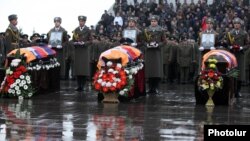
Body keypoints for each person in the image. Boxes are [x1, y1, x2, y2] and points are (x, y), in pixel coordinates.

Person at [142, 15, 166, 95]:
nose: (153, 22)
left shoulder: (161, 30)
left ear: (157, 22)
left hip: (157, 52)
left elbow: (164, 41)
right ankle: (150, 88)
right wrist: (146, 45)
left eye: (155, 21)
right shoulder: (146, 30)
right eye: (152, 21)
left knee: (157, 71)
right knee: (149, 71)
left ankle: (156, 88)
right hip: (149, 52)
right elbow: (143, 40)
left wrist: (158, 44)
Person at [226, 17, 249, 98]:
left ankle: (238, 91)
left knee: (239, 74)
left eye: (238, 23)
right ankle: (232, 90)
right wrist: (230, 47)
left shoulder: (244, 33)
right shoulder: (230, 33)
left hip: (240, 55)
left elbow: (247, 44)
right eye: (235, 23)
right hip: (232, 55)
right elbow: (227, 44)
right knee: (233, 73)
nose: (236, 25)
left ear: (240, 25)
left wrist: (242, 48)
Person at [72, 15, 92, 91]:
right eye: (80, 21)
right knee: (78, 69)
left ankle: (82, 85)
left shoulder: (88, 30)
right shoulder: (76, 30)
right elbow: (73, 40)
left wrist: (84, 43)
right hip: (77, 50)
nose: (81, 22)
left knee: (83, 69)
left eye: (82, 21)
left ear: (84, 22)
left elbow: (91, 41)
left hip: (84, 51)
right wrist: (75, 43)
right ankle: (78, 85)